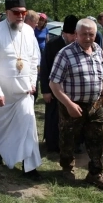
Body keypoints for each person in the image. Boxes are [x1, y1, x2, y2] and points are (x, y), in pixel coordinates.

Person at [0, 0, 42, 181]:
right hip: (2, 93)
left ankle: (29, 167)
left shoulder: (29, 31)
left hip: (23, 92)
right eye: (16, 12)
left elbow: (33, 59)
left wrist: (31, 82)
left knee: (28, 128)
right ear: (7, 12)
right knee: (0, 128)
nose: (21, 16)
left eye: (23, 12)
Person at [49, 18, 103, 189]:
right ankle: (67, 168)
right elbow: (53, 84)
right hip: (72, 104)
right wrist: (68, 104)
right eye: (84, 34)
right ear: (76, 35)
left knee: (99, 138)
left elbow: (100, 75)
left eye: (91, 34)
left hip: (95, 104)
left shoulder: (98, 50)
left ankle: (95, 174)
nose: (88, 38)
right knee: (68, 139)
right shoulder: (65, 54)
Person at [40, 15, 78, 153]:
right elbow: (44, 69)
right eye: (72, 34)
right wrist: (45, 90)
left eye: (76, 34)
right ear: (64, 33)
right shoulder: (52, 45)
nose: (74, 38)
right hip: (53, 88)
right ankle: (52, 144)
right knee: (53, 117)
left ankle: (69, 144)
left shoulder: (77, 46)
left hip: (70, 90)